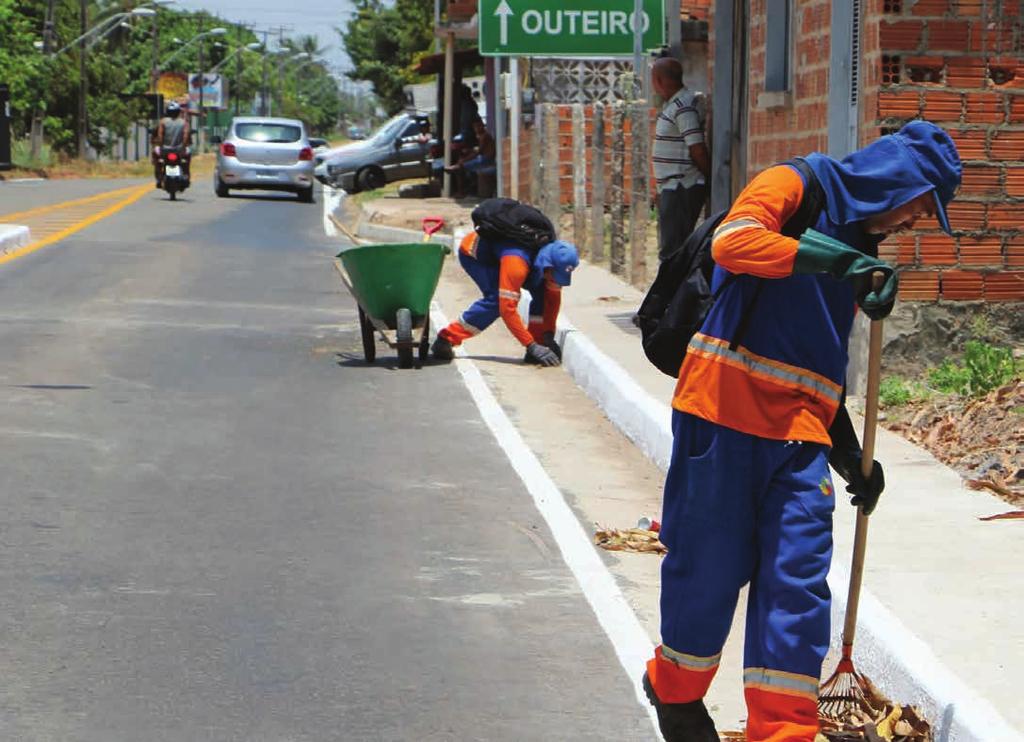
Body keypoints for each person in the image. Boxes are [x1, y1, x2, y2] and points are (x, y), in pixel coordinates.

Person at [642, 121, 961, 742]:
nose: (919, 222)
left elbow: (812, 364)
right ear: (901, 177)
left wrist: (850, 456)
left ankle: (783, 731)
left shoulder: (862, 258)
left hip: (798, 441)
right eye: (925, 206)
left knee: (798, 588)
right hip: (720, 419)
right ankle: (674, 689)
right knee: (708, 573)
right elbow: (732, 243)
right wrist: (834, 258)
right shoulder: (798, 182)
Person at [431, 231, 579, 366]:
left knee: (543, 292)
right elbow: (506, 308)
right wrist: (531, 345)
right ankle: (447, 338)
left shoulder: (548, 258)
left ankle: (537, 340)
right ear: (547, 265)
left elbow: (551, 299)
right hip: (476, 254)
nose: (555, 281)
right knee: (496, 300)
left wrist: (547, 336)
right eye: (554, 276)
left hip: (504, 256)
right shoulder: (517, 264)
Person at [651, 58, 709, 262]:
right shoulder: (675, 104)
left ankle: (672, 293)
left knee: (673, 252)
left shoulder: (683, 105)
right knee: (673, 249)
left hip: (682, 187)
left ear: (658, 80)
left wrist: (708, 178)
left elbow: (697, 148)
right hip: (673, 187)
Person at [445, 119, 496, 198]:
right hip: (483, 158)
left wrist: (464, 160)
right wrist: (470, 151)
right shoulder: (480, 136)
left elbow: (479, 152)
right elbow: (479, 151)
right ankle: (457, 167)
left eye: (479, 126)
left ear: (483, 126)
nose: (477, 129)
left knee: (460, 167)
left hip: (486, 159)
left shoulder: (485, 136)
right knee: (462, 164)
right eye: (475, 127)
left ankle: (461, 191)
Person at [152, 101, 191, 188]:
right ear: (178, 112)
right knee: (187, 159)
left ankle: (158, 175)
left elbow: (160, 135)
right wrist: (183, 147)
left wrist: (161, 146)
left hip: (165, 150)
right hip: (179, 150)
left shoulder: (163, 122)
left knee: (155, 154)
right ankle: (186, 174)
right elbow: (186, 136)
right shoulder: (184, 123)